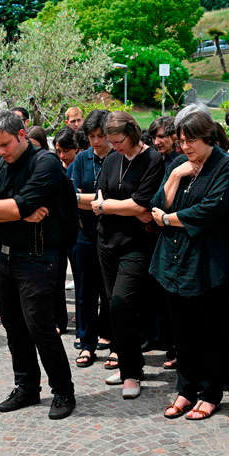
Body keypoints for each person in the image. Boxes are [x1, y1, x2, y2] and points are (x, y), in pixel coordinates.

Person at [0, 111, 77, 420]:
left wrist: (5, 209)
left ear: (22, 135)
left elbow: (16, 205)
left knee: (40, 326)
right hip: (4, 257)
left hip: (39, 257)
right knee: (13, 327)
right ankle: (26, 387)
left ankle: (62, 391)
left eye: (5, 144)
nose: (1, 152)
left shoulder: (44, 163)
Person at [150, 104, 229, 421]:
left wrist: (168, 218)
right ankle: (186, 389)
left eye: (191, 141)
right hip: (173, 263)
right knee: (181, 334)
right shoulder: (178, 164)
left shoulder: (227, 167)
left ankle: (211, 393)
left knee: (209, 332)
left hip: (208, 264)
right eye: (182, 141)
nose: (185, 147)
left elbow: (209, 211)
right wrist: (175, 176)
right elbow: (155, 205)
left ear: (208, 138)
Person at [90, 112, 165, 399]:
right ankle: (129, 364)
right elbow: (100, 192)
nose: (114, 146)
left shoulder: (152, 160)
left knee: (122, 302)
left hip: (136, 244)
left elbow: (139, 205)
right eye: (111, 142)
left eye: (118, 141)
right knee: (114, 305)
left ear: (132, 134)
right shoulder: (111, 159)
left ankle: (132, 371)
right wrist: (109, 205)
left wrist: (105, 206)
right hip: (107, 240)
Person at [70, 110, 114, 368]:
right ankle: (86, 342)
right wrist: (97, 202)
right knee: (85, 292)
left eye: (101, 136)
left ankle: (109, 336)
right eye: (91, 136)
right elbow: (72, 195)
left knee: (111, 293)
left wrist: (97, 202)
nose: (96, 142)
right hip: (84, 233)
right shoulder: (82, 159)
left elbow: (118, 200)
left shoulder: (118, 158)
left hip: (112, 235)